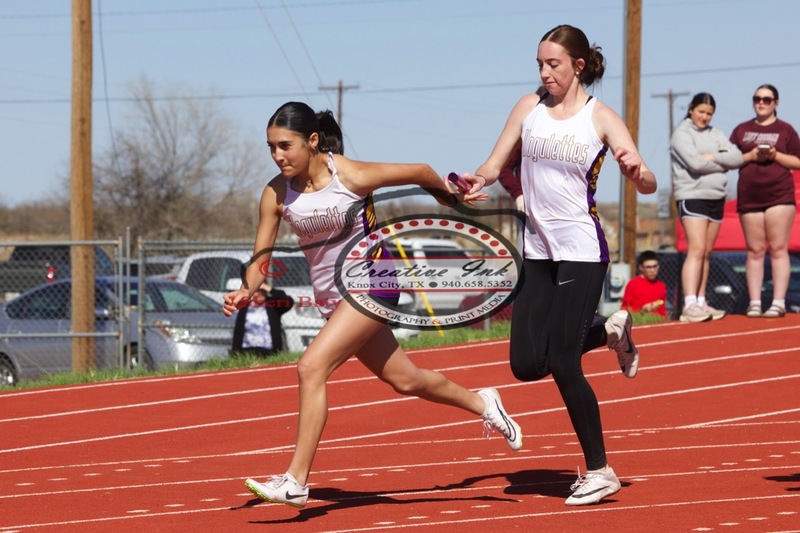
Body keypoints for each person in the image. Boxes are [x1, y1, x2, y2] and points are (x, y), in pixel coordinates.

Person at [222, 101, 522, 509]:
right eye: (271, 147)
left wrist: (453, 198)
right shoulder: (276, 193)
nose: (277, 156)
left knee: (310, 367)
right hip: (333, 298)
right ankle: (483, 402)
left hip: (373, 283)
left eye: (285, 146)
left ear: (312, 142)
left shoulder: (352, 176)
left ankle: (296, 480)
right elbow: (262, 257)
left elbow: (418, 170)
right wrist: (245, 288)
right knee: (406, 380)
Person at [457, 24, 657, 506]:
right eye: (540, 65)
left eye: (554, 65)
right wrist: (473, 179)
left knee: (565, 362)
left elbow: (647, 180)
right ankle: (609, 333)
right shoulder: (528, 109)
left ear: (578, 66)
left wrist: (636, 172)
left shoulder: (601, 117)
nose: (545, 74)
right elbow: (493, 162)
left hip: (583, 250)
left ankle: (600, 470)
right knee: (527, 364)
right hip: (539, 250)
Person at [670, 92, 743, 323]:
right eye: (701, 112)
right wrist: (721, 163)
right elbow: (695, 163)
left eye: (709, 114)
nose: (705, 117)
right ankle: (689, 303)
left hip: (716, 197)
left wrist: (713, 156)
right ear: (691, 109)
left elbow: (738, 157)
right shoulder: (681, 133)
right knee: (697, 248)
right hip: (693, 196)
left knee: (708, 253)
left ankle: (701, 301)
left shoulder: (716, 133)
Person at [730, 84, 800, 318]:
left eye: (767, 99)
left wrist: (775, 155)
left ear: (776, 103)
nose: (761, 102)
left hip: (779, 195)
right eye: (757, 98)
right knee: (755, 250)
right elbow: (729, 159)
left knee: (778, 249)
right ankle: (755, 302)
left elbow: (798, 161)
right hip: (750, 195)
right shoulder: (742, 129)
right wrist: (750, 156)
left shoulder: (786, 130)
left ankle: (778, 302)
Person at [231, 281, 294, 356]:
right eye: (257, 291)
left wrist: (269, 288)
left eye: (262, 291)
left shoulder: (273, 306)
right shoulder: (245, 307)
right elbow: (238, 331)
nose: (260, 294)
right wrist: (235, 352)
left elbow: (288, 302)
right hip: (246, 351)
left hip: (269, 351)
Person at [621, 250, 667, 318]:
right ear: (641, 268)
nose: (652, 270)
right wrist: (642, 310)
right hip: (639, 320)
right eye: (648, 267)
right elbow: (624, 309)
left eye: (655, 266)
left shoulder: (661, 286)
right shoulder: (633, 284)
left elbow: (663, 312)